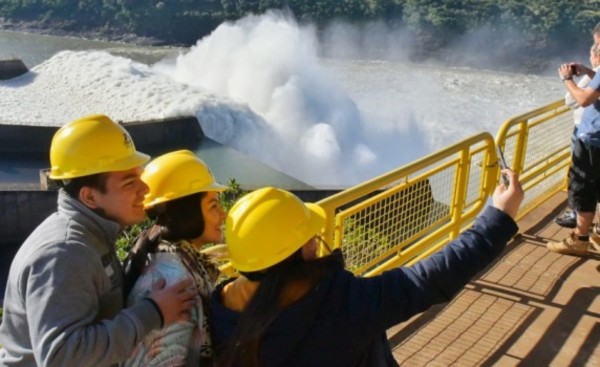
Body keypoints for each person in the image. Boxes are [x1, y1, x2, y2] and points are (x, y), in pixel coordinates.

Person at [209, 169, 524, 366]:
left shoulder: (216, 310)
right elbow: (431, 278)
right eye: (311, 238)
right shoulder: (344, 304)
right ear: (300, 251)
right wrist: (497, 217)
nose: (317, 243)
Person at [0, 114, 196, 367]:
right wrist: (153, 312)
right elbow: (62, 357)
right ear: (89, 197)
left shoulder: (90, 234)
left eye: (140, 176)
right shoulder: (66, 252)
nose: (145, 189)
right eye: (129, 182)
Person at [123, 149, 227, 366]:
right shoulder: (172, 282)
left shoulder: (172, 258)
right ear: (187, 212)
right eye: (213, 205)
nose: (223, 214)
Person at [547, 41, 600, 255]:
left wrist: (567, 79)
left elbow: (583, 99)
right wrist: (589, 72)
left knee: (584, 189)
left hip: (593, 141)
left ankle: (580, 239)